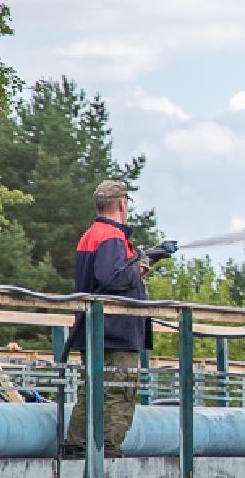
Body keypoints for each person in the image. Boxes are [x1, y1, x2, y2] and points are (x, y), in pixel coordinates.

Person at [61, 179, 169, 457]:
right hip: (117, 331)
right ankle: (108, 451)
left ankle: (76, 446)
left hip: (97, 329)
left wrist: (151, 257)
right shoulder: (111, 236)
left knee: (92, 389)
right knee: (119, 390)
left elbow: (112, 274)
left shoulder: (92, 234)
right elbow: (113, 277)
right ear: (122, 204)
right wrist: (142, 263)